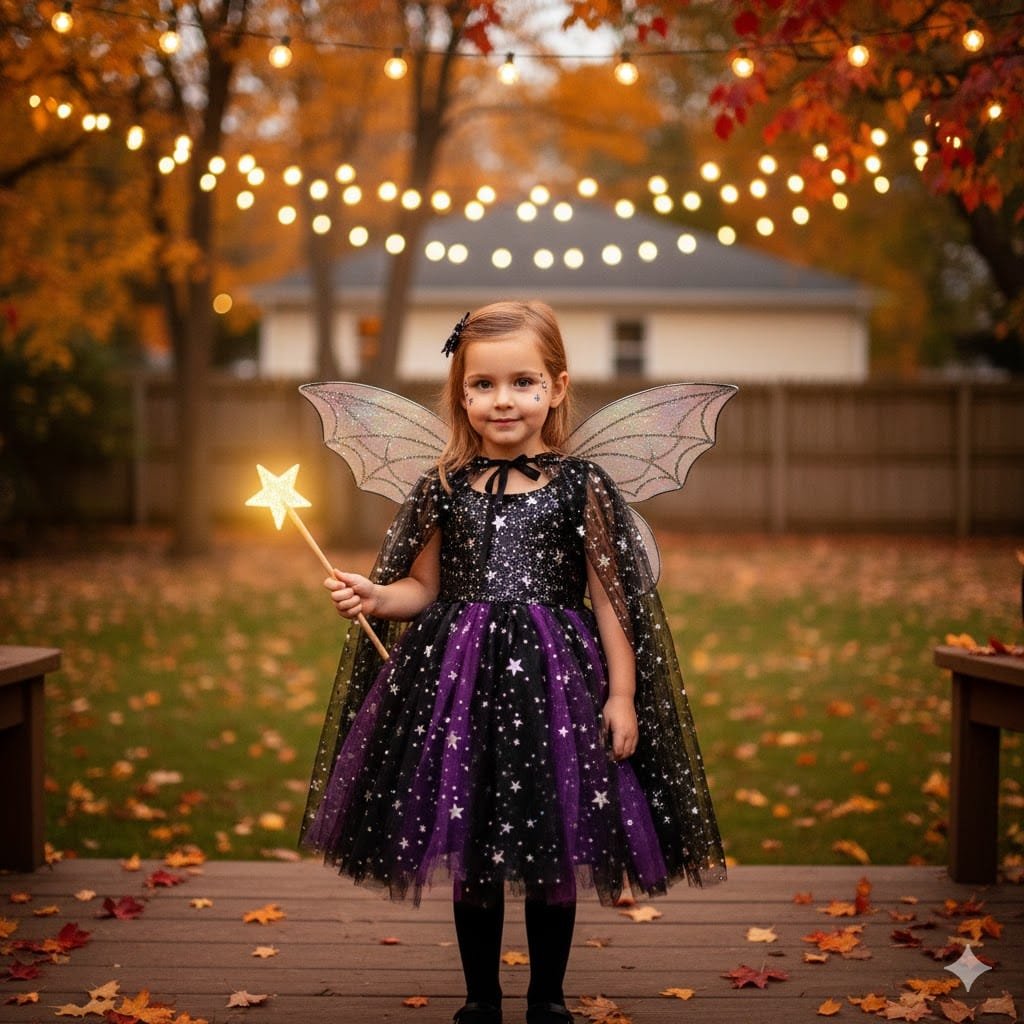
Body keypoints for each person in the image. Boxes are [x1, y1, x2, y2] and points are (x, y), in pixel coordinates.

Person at [300, 300, 726, 1024]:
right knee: (473, 840)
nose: (503, 400)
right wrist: (376, 594)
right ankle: (479, 997)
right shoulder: (441, 487)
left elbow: (611, 599)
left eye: (523, 382)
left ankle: (549, 997)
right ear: (461, 394)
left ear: (557, 388)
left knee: (552, 838)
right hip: (460, 687)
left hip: (559, 688)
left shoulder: (580, 484)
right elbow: (422, 589)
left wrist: (621, 696)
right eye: (484, 385)